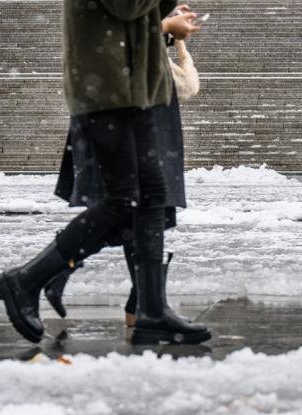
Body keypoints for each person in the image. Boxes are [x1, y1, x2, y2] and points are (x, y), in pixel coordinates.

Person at [0, 0, 210, 345]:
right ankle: (26, 280)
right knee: (124, 200)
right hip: (109, 88)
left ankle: (152, 311)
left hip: (133, 87)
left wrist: (167, 18)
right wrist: (167, 27)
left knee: (151, 198)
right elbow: (127, 8)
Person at [46, 10, 201, 328]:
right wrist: (165, 24)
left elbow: (131, 21)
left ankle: (144, 304)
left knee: (144, 207)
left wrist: (167, 25)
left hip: (142, 90)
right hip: (124, 95)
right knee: (133, 204)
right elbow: (118, 22)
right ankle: (47, 273)